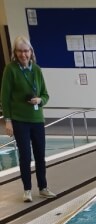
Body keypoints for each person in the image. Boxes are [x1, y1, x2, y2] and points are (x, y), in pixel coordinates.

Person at [1, 35, 55, 203]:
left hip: (37, 119)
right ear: (15, 53)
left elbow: (46, 94)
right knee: (25, 156)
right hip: (19, 120)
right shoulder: (11, 70)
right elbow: (5, 97)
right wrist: (8, 121)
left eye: (26, 51)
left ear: (31, 52)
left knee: (40, 155)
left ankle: (43, 187)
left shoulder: (37, 69)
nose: (23, 54)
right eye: (20, 51)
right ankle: (27, 190)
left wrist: (40, 100)